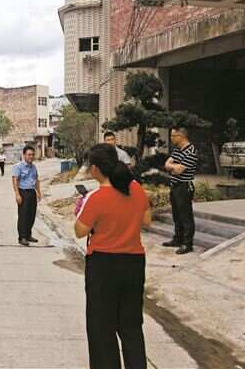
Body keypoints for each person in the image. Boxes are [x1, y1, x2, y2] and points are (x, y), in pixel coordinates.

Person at [74, 143, 152, 369]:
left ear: (96, 169)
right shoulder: (136, 188)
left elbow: (80, 231)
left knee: (102, 327)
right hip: (134, 263)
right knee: (131, 326)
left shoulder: (96, 197)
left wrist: (80, 210)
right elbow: (147, 220)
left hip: (103, 265)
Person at [163, 127, 198, 255]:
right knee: (176, 214)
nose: (171, 138)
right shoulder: (177, 150)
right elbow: (167, 164)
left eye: (173, 136)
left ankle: (187, 244)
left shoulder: (191, 151)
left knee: (185, 216)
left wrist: (174, 167)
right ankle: (177, 239)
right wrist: (174, 167)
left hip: (184, 186)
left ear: (181, 136)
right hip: (174, 185)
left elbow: (179, 170)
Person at [12, 145, 41, 246]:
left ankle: (28, 234)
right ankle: (22, 237)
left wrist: (38, 192)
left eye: (32, 155)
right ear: (24, 155)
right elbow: (15, 180)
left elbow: (36, 180)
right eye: (29, 155)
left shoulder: (34, 167)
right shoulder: (18, 166)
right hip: (23, 192)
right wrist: (17, 194)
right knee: (23, 216)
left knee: (31, 215)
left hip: (32, 192)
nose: (31, 157)